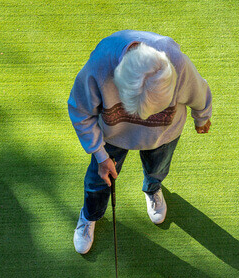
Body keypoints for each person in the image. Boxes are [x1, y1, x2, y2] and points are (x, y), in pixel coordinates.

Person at [68, 30, 212, 254]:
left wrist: (202, 117)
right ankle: (90, 215)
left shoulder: (177, 62)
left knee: (158, 169)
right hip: (113, 136)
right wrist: (100, 154)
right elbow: (80, 112)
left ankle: (152, 189)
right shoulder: (100, 66)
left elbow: (199, 92)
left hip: (163, 135)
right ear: (118, 80)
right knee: (98, 181)